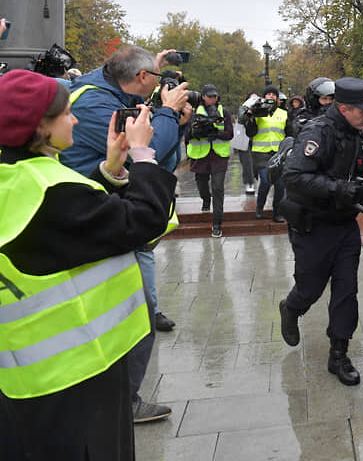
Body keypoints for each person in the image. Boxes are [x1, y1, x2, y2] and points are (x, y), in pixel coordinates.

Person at [0, 70, 175, 459]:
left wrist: (111, 170)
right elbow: (143, 221)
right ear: (40, 127)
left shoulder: (15, 179)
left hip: (24, 373)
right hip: (80, 371)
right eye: (66, 113)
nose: (75, 119)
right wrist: (144, 155)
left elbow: (73, 229)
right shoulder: (51, 193)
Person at [60, 45, 188, 423]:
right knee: (136, 312)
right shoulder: (96, 108)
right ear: (141, 78)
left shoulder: (96, 90)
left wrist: (153, 80)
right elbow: (148, 149)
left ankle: (111, 397)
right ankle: (122, 402)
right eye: (62, 116)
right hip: (96, 222)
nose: (72, 121)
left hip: (101, 213)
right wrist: (165, 110)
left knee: (133, 309)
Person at [277, 78, 363, 387]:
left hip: (344, 225)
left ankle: (339, 353)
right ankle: (292, 307)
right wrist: (336, 188)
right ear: (344, 108)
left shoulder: (355, 134)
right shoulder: (318, 132)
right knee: (310, 288)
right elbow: (295, 175)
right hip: (314, 226)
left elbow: (360, 171)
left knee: (346, 290)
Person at [186, 84, 234, 238]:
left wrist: (216, 133)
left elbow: (229, 134)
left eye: (215, 96)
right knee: (202, 185)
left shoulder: (224, 112)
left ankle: (217, 223)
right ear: (203, 97)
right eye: (209, 96)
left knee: (218, 188)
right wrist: (197, 132)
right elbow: (186, 135)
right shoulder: (193, 112)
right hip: (200, 156)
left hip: (219, 156)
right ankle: (206, 200)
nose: (213, 99)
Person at [243, 85, 288, 221]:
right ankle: (260, 207)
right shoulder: (258, 112)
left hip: (279, 153)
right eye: (268, 94)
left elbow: (290, 133)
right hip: (261, 153)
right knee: (266, 181)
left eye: (273, 95)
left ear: (277, 98)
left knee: (280, 184)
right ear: (264, 97)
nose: (271, 96)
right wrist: (250, 118)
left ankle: (277, 212)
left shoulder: (283, 113)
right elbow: (250, 132)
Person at [232, 97, 257, 195]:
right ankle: (249, 183)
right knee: (247, 163)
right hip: (244, 139)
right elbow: (242, 118)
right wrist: (249, 111)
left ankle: (253, 179)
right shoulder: (242, 109)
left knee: (255, 163)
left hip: (257, 139)